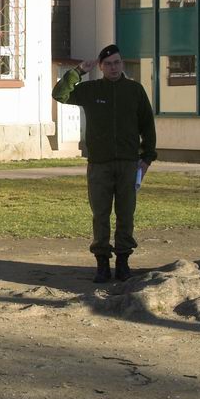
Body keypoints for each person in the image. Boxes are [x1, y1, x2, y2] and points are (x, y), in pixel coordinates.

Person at [52, 44, 157, 283]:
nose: (113, 67)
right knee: (100, 214)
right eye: (108, 64)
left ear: (122, 64)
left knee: (126, 213)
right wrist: (78, 71)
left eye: (117, 63)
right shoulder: (91, 90)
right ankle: (102, 263)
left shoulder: (134, 90)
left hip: (128, 164)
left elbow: (147, 126)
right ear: (101, 67)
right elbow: (60, 94)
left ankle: (123, 261)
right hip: (99, 164)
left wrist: (147, 158)